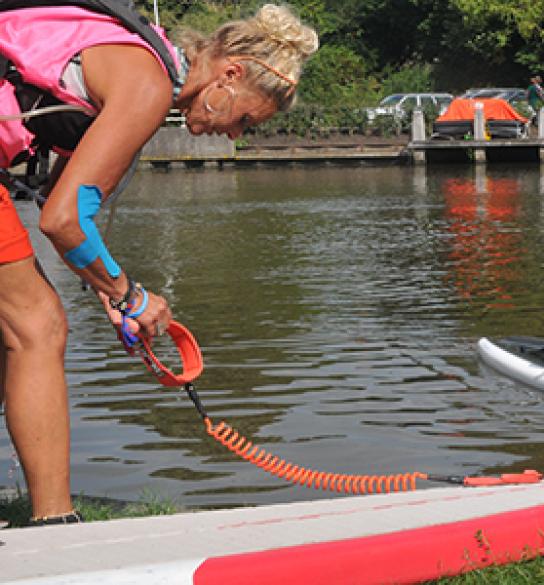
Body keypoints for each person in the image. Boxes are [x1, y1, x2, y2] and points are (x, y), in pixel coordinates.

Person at [0, 3, 317, 526]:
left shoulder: (138, 63)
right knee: (37, 327)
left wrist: (108, 286)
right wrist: (131, 296)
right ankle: (56, 526)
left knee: (13, 331)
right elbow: (62, 221)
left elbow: (64, 207)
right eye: (243, 118)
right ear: (229, 74)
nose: (234, 136)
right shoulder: (146, 82)